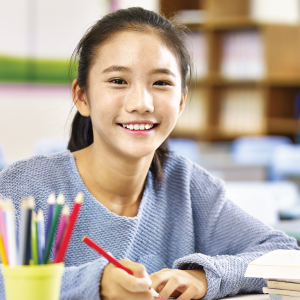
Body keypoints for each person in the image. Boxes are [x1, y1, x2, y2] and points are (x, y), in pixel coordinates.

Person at [0, 7, 299, 300]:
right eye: (118, 81)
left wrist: (206, 275)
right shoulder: (24, 187)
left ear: (181, 102)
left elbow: (288, 259)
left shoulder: (189, 186)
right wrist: (96, 284)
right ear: (82, 97)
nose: (141, 103)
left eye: (161, 83)